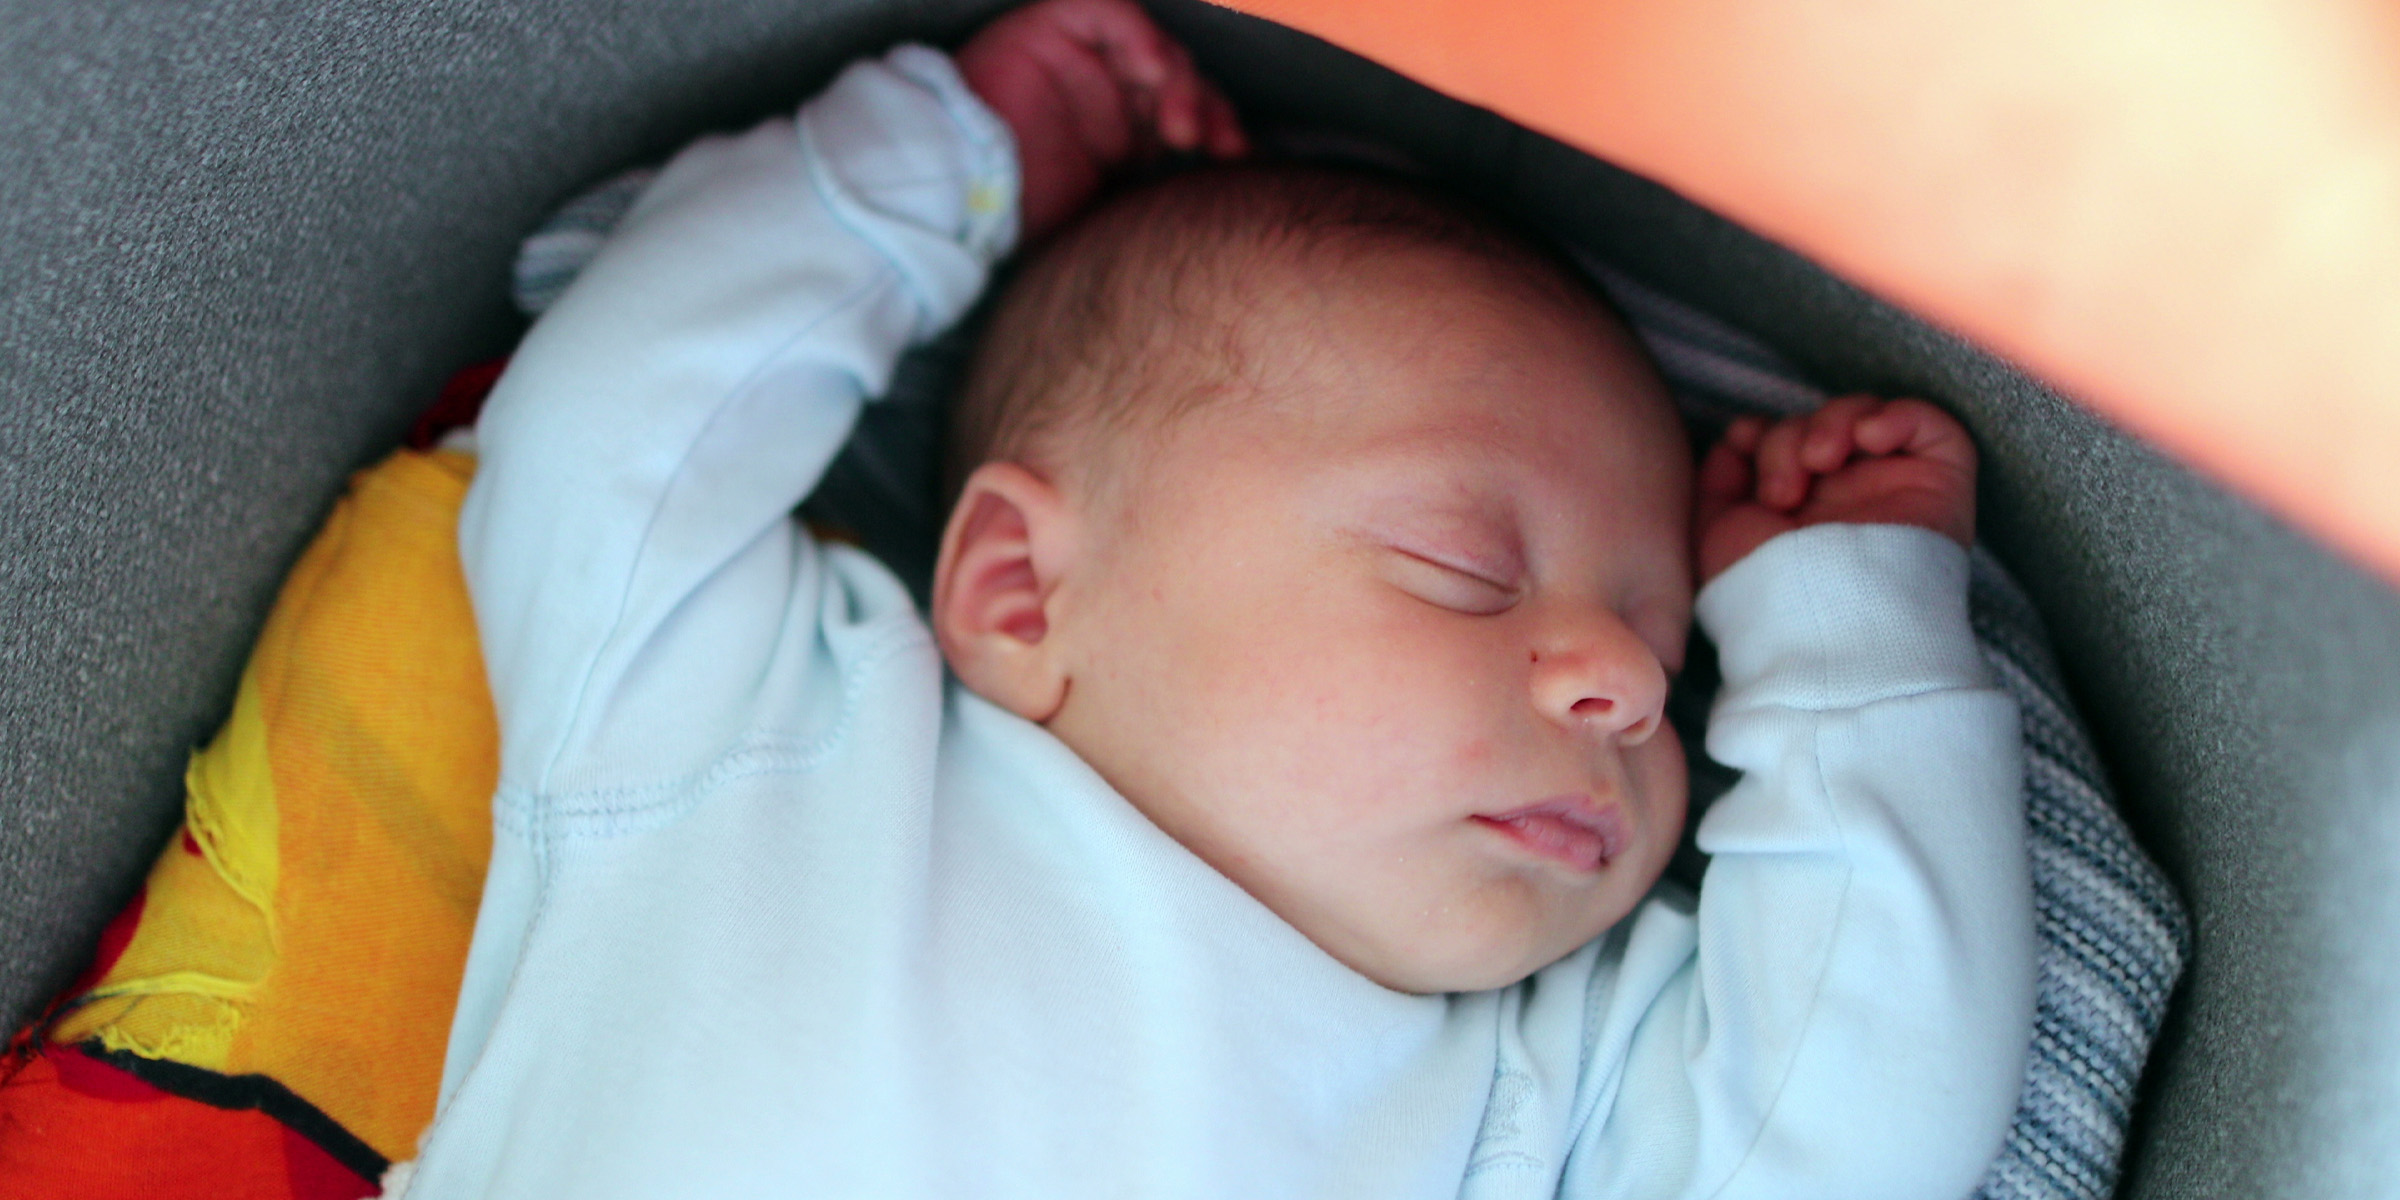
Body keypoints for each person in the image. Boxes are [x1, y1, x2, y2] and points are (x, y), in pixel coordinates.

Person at [408, 0, 2033, 1195]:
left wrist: (1839, 645)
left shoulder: (1540, 1077)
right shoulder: (776, 740)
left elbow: (1851, 1124)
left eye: (1679, 661)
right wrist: (947, 167)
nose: (1618, 676)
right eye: (1467, 571)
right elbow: (614, 435)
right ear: (1022, 592)